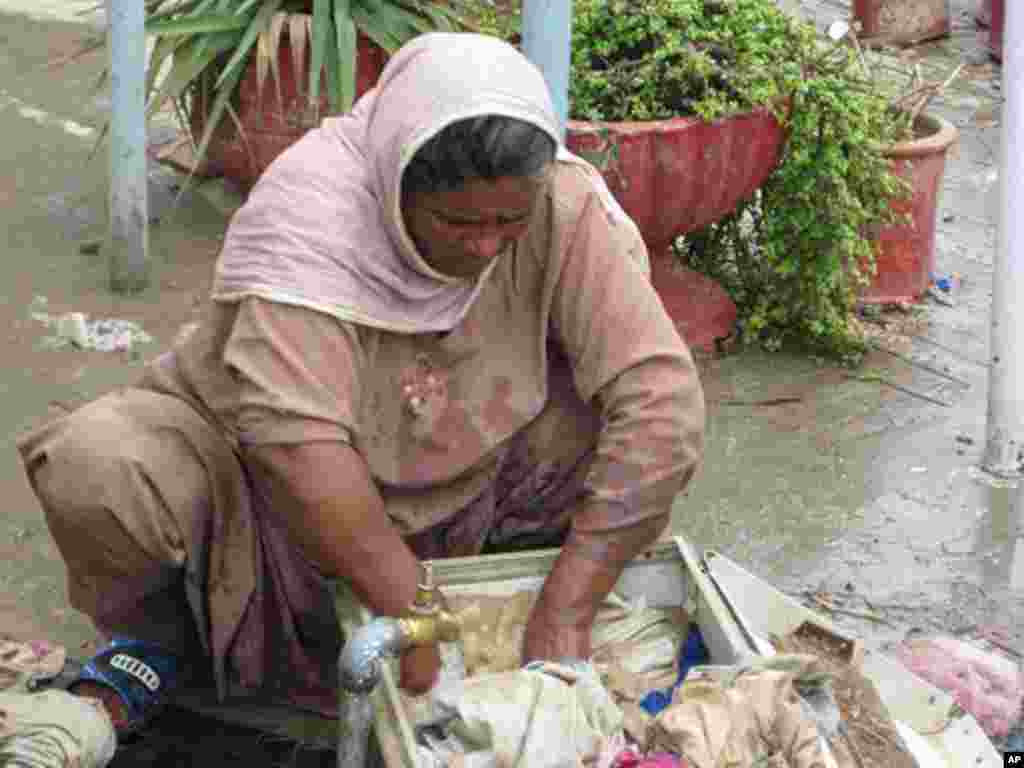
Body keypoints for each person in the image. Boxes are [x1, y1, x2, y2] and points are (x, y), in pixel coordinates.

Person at [16, 32, 705, 739]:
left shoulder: (559, 201)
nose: (485, 246)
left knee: (629, 424)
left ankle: (500, 589)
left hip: (477, 487)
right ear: (394, 179)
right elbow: (296, 445)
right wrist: (412, 609)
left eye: (509, 222)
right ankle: (162, 644)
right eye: (458, 221)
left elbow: (662, 400)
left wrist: (570, 601)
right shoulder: (314, 215)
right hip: (270, 507)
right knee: (101, 466)